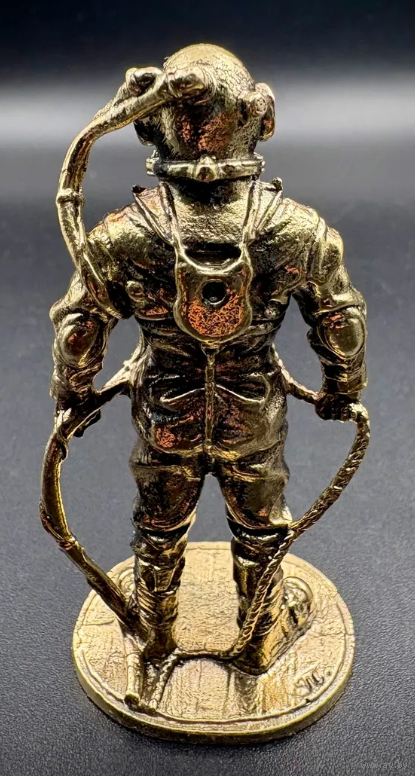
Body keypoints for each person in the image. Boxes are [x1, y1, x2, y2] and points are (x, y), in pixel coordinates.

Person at [50, 44, 367, 675]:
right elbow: (342, 321)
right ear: (262, 117)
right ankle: (259, 638)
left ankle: (155, 635)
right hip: (255, 417)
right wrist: (341, 387)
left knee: (159, 527)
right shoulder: (298, 232)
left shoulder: (121, 236)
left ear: (148, 127)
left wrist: (74, 394)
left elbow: (79, 329)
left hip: (164, 415)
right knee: (261, 526)